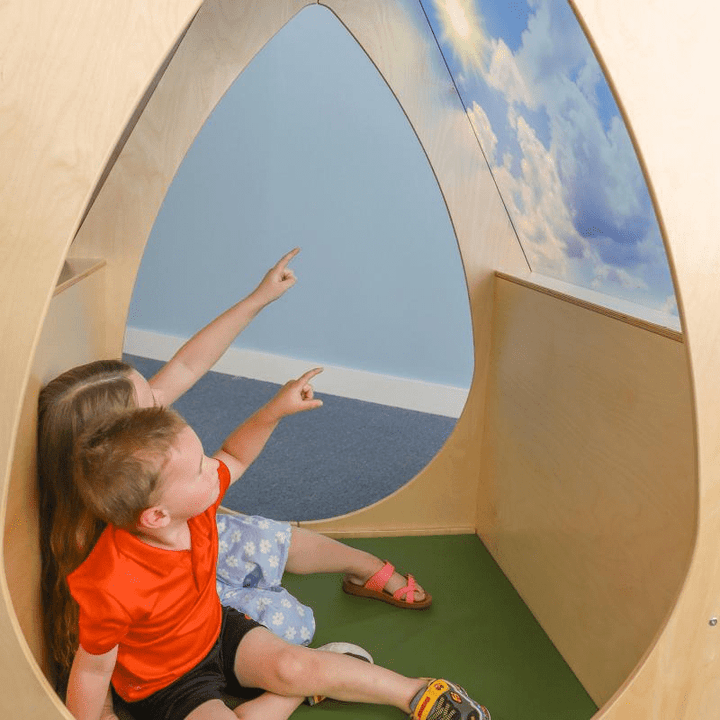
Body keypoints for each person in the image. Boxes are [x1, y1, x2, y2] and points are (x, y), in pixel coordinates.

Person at [38, 250, 429, 704]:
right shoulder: (103, 553)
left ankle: (361, 566)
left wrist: (257, 298)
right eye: (149, 405)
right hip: (175, 613)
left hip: (193, 545)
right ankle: (307, 681)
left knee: (264, 538)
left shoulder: (155, 472)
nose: (162, 403)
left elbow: (188, 366)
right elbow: (97, 652)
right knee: (286, 628)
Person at [65, 398, 490, 720]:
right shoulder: (112, 583)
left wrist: (275, 411)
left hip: (217, 632)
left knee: (292, 664)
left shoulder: (194, 506)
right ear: (157, 516)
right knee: (281, 686)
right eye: (198, 469)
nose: (213, 467)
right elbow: (91, 672)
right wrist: (100, 715)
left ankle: (416, 693)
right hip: (166, 684)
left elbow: (235, 454)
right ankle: (300, 690)